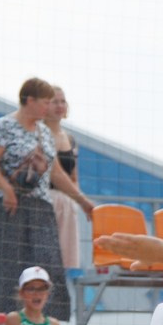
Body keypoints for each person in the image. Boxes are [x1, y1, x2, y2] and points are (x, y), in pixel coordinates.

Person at [0, 79, 69, 313]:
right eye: (45, 102)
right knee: (6, 263)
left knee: (46, 261)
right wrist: (7, 190)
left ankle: (49, 318)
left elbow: (56, 172)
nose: (48, 107)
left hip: (40, 206)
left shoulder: (44, 132)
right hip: (9, 205)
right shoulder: (3, 126)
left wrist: (83, 200)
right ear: (29, 100)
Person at [39, 86, 96, 290]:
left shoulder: (70, 139)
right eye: (54, 101)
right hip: (45, 201)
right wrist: (82, 200)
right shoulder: (40, 134)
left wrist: (77, 203)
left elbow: (73, 177)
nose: (59, 105)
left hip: (67, 204)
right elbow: (54, 173)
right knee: (46, 257)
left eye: (62, 101)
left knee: (64, 260)